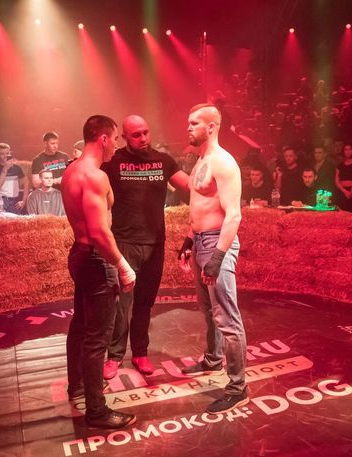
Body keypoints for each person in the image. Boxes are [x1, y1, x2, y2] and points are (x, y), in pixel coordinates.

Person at [62, 115, 137, 429]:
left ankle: (78, 385)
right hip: (96, 258)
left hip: (80, 255)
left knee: (81, 326)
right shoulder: (94, 176)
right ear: (104, 138)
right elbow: (99, 233)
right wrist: (122, 265)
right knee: (97, 338)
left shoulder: (71, 171)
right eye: (116, 139)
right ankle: (97, 411)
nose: (117, 146)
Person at [101, 115, 189, 379]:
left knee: (144, 303)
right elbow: (86, 171)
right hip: (125, 242)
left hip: (155, 244)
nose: (143, 139)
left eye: (145, 133)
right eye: (136, 135)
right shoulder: (114, 161)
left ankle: (140, 353)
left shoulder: (163, 161)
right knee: (121, 305)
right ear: (125, 137)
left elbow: (191, 186)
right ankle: (114, 357)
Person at [178, 103, 248, 414]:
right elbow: (200, 208)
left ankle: (238, 386)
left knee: (227, 318)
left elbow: (233, 215)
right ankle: (212, 359)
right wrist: (188, 240)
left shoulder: (224, 163)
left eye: (195, 123)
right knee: (209, 312)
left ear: (212, 127)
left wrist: (218, 256)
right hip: (202, 241)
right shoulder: (200, 161)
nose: (188, 128)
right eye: (188, 122)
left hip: (218, 243)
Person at [0, 143, 29, 215]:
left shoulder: (17, 168)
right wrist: (5, 168)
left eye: (7, 153)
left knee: (16, 224)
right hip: (1, 201)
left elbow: (26, 183)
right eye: (2, 154)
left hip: (15, 201)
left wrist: (23, 201)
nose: (5, 156)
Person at [335, 144, 352, 212]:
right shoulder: (339, 165)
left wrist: (351, 192)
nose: (348, 151)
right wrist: (345, 191)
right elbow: (336, 181)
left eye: (350, 149)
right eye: (346, 149)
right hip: (342, 193)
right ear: (343, 151)